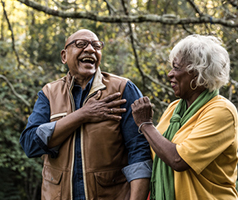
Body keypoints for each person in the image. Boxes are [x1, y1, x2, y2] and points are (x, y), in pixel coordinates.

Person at [20, 29, 152, 200]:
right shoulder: (49, 93)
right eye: (81, 44)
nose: (90, 49)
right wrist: (82, 115)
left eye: (96, 46)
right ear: (64, 56)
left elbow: (139, 151)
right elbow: (30, 144)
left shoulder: (123, 89)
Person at [131, 35, 238, 200]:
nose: (170, 74)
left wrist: (146, 125)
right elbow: (154, 150)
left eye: (176, 68)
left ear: (198, 74)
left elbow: (178, 160)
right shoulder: (174, 109)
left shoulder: (221, 112)